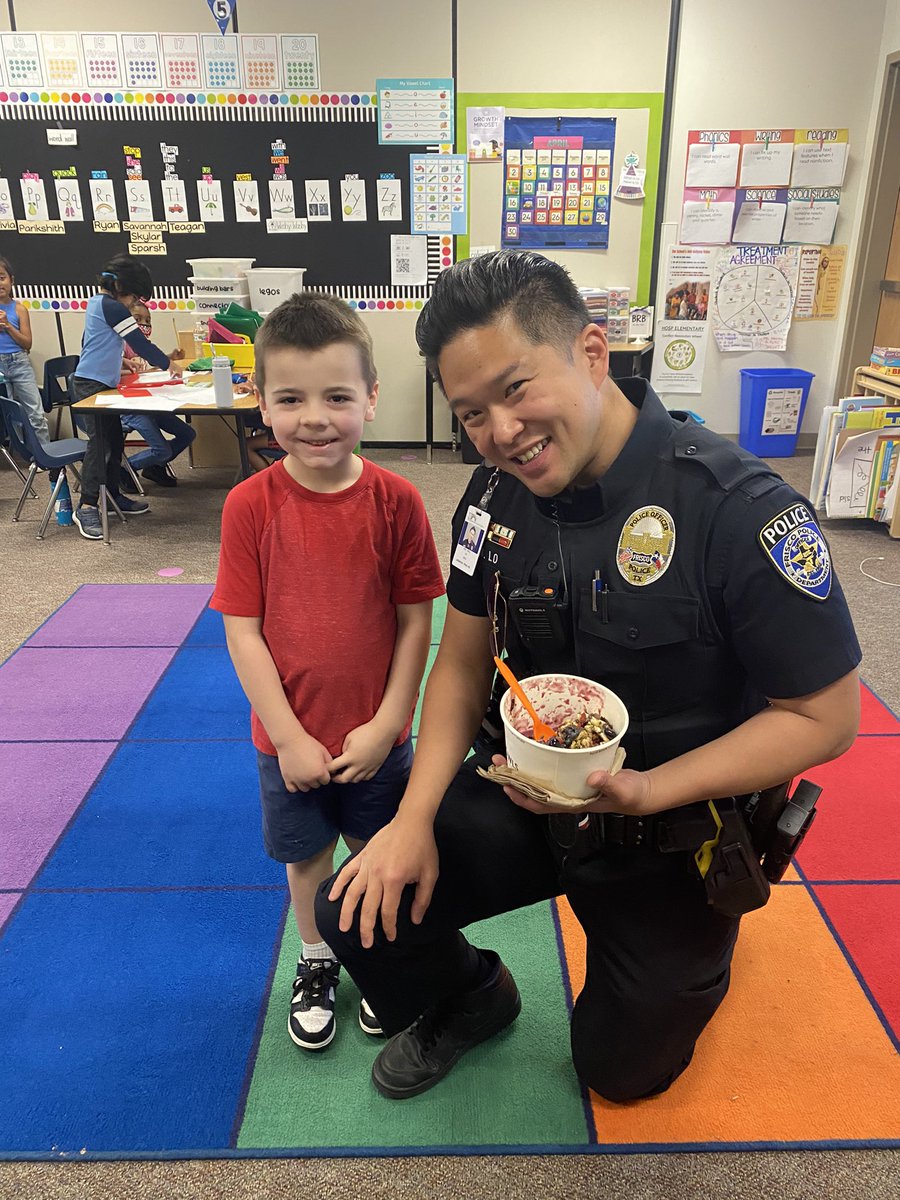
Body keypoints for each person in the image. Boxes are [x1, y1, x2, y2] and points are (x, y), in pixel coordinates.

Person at [316, 250, 861, 1103]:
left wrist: (647, 790)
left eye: (516, 388)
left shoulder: (737, 509)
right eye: (471, 412)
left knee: (621, 1075)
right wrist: (414, 818)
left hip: (672, 830)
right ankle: (475, 998)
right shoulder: (494, 499)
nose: (500, 431)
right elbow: (460, 665)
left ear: (593, 353)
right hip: (524, 793)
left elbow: (826, 717)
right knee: (357, 907)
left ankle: (700, 954)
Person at [210, 292, 445, 1052]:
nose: (315, 417)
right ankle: (317, 960)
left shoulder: (398, 501)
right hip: (290, 746)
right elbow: (243, 633)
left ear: (371, 400)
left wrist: (388, 723)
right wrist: (288, 737)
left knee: (383, 859)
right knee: (308, 859)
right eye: (291, 398)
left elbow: (417, 621)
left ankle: (381, 960)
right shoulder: (249, 507)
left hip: (377, 740)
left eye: (337, 396)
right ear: (262, 405)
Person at [70, 253, 183, 540]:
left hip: (101, 384)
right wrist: (169, 364)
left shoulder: (97, 303)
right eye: (134, 298)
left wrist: (119, 363)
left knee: (114, 442)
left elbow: (92, 344)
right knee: (100, 446)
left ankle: (113, 497)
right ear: (122, 288)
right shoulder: (112, 307)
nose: (134, 305)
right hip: (89, 388)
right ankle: (86, 506)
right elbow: (140, 345)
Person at [119, 300, 195, 489]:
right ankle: (125, 469)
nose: (144, 324)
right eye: (137, 319)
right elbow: (111, 372)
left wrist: (170, 357)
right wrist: (133, 370)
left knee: (187, 434)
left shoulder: (144, 345)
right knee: (161, 449)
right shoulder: (119, 345)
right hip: (130, 406)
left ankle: (154, 467)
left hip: (151, 402)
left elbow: (149, 364)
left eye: (147, 320)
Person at [0, 256, 49, 444]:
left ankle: (46, 456)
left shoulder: (19, 309)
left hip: (19, 363)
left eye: (2, 277)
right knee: (10, 416)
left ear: (11, 280)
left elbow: (27, 343)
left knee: (36, 414)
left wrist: (8, 326)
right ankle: (21, 455)